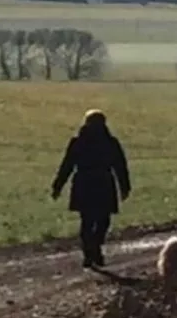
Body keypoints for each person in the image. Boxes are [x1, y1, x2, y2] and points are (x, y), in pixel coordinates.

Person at [51, 109, 132, 269]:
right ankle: (95, 247)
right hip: (104, 182)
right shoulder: (110, 142)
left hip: (84, 182)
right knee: (103, 220)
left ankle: (89, 252)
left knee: (87, 221)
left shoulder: (78, 141)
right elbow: (120, 166)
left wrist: (58, 186)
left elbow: (67, 165)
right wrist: (124, 186)